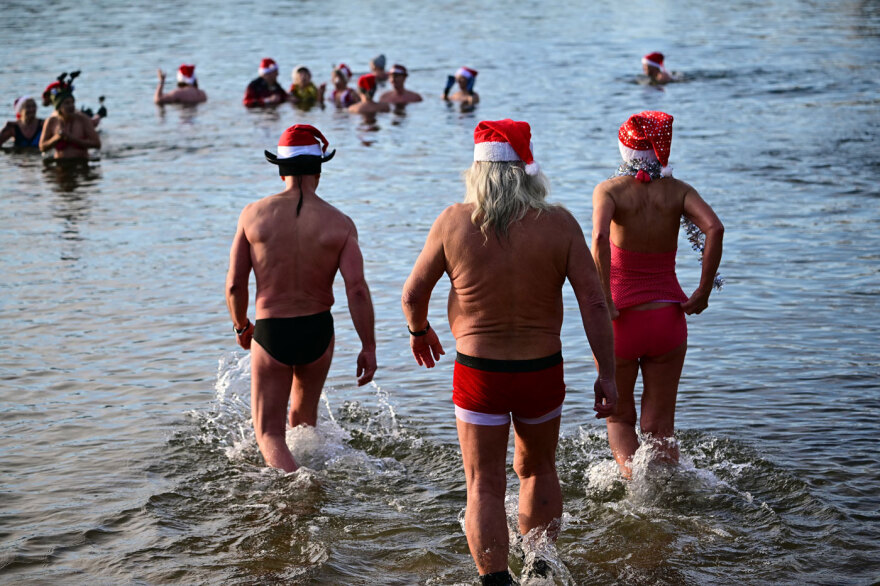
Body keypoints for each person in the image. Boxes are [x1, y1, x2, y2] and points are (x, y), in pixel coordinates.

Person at [402, 119, 617, 584]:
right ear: (527, 170)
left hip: (479, 371)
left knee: (483, 482)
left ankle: (495, 580)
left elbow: (411, 294)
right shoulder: (558, 223)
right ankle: (539, 568)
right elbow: (595, 301)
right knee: (538, 468)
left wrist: (419, 332)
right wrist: (608, 374)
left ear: (476, 171)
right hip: (542, 369)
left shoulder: (453, 222)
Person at [225, 124, 377, 473]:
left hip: (272, 330)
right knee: (303, 422)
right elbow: (357, 288)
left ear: (280, 169)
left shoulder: (253, 215)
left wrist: (241, 324)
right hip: (318, 331)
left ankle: (299, 485)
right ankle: (310, 473)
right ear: (319, 168)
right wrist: (368, 346)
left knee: (268, 434)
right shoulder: (340, 223)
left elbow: (235, 284)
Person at [591, 111, 724, 479]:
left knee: (620, 415)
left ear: (624, 148)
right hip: (668, 318)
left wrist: (606, 298)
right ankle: (666, 496)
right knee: (660, 426)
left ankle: (639, 494)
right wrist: (703, 291)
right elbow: (714, 228)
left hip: (621, 320)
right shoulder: (679, 190)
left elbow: (600, 239)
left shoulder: (608, 191)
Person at [39, 75, 101, 159]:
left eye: (72, 102)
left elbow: (97, 144)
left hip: (81, 165)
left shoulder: (83, 119)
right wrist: (56, 138)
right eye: (67, 103)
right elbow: (42, 147)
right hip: (59, 166)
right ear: (59, 107)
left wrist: (72, 139)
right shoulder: (51, 121)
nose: (71, 106)